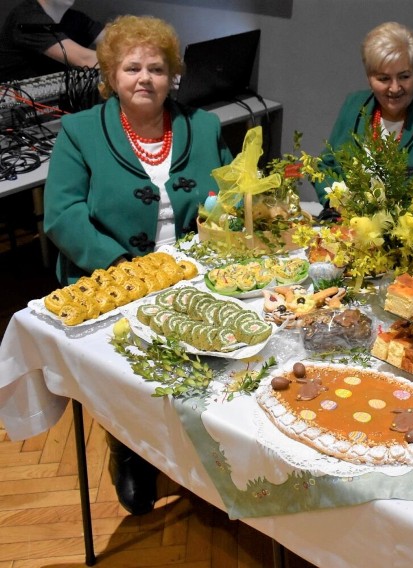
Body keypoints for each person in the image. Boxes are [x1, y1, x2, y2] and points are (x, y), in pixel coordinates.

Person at [43, 15, 233, 515]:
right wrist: (129, 270)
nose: (144, 78)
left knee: (214, 366)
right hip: (111, 280)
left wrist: (220, 225)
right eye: (131, 68)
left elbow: (233, 195)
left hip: (196, 276)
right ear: (111, 76)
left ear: (174, 75)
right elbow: (62, 215)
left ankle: (198, 446)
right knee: (129, 374)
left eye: (156, 68)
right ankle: (128, 445)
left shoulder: (205, 125)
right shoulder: (80, 131)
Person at [313, 21, 413, 203]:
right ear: (368, 77)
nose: (395, 88)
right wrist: (339, 201)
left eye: (404, 77)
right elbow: (325, 166)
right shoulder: (354, 105)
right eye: (384, 78)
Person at [0, 0, 103, 81]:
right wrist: (118, 61)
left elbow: (113, 38)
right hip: (23, 104)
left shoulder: (74, 18)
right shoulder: (27, 18)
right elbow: (84, 59)